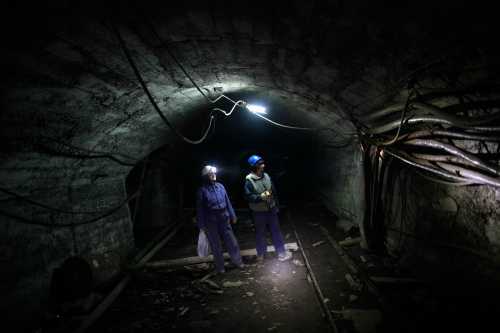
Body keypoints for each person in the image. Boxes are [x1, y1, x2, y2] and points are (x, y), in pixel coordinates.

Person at [196, 165, 244, 273]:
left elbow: (227, 202)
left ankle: (238, 261)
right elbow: (200, 209)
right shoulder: (202, 190)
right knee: (216, 244)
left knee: (231, 241)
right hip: (211, 220)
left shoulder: (220, 186)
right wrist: (201, 226)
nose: (213, 175)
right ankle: (220, 267)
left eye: (214, 173)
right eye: (210, 174)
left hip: (224, 217)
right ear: (205, 176)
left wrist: (233, 215)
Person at [244, 155, 292, 262]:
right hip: (258, 212)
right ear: (255, 166)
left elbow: (273, 192)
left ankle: (281, 253)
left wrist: (276, 206)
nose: (263, 165)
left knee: (276, 231)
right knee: (260, 233)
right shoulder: (249, 181)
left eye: (262, 163)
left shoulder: (266, 176)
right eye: (261, 164)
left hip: (271, 209)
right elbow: (249, 197)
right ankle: (261, 255)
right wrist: (261, 196)